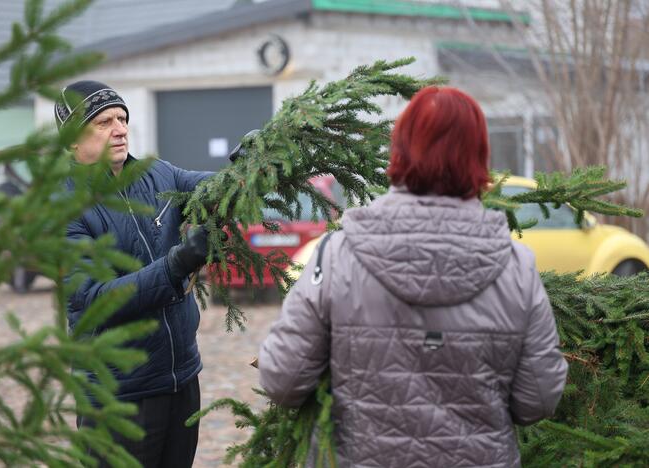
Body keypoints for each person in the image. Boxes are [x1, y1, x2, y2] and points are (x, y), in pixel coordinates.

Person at [258, 86, 568, 467]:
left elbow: (282, 380)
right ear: (479, 157)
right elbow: (538, 397)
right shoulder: (516, 266)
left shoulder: (339, 256)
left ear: (400, 150)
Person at [58, 80, 215, 467]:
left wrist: (251, 165)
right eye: (103, 121)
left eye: (123, 118)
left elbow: (211, 187)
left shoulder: (157, 174)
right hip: (119, 397)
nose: (120, 128)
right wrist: (176, 265)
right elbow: (92, 299)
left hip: (180, 379)